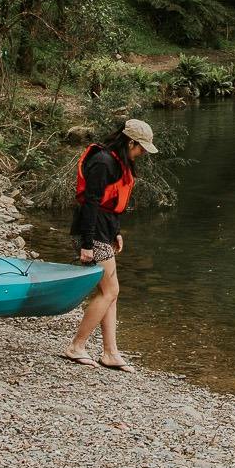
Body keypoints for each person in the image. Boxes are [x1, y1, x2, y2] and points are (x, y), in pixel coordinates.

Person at [60, 117, 156, 372]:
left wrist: (117, 232)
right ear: (131, 142)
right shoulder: (103, 162)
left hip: (104, 230)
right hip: (91, 232)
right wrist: (87, 244)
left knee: (110, 292)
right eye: (142, 148)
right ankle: (76, 346)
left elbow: (111, 203)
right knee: (110, 291)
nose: (143, 153)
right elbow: (91, 203)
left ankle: (110, 352)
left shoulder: (119, 161)